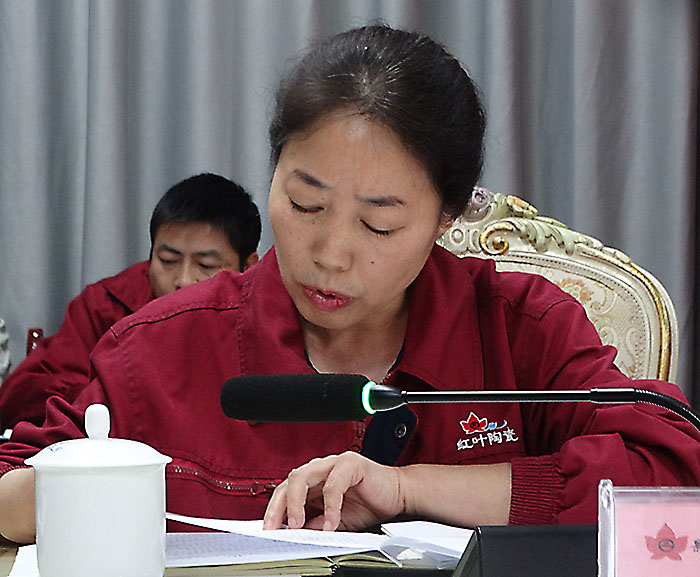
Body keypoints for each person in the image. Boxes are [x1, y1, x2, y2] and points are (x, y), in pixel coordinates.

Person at [0, 24, 699, 545]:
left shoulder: (520, 329)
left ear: (447, 217)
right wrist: (90, 492)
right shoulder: (159, 347)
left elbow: (670, 475)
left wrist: (407, 489)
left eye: (379, 224)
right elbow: (12, 483)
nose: (330, 256)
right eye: (304, 204)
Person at [0, 172, 261, 430]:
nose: (182, 280)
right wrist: (115, 393)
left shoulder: (265, 314)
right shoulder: (108, 305)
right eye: (168, 260)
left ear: (248, 267)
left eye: (206, 265)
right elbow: (18, 398)